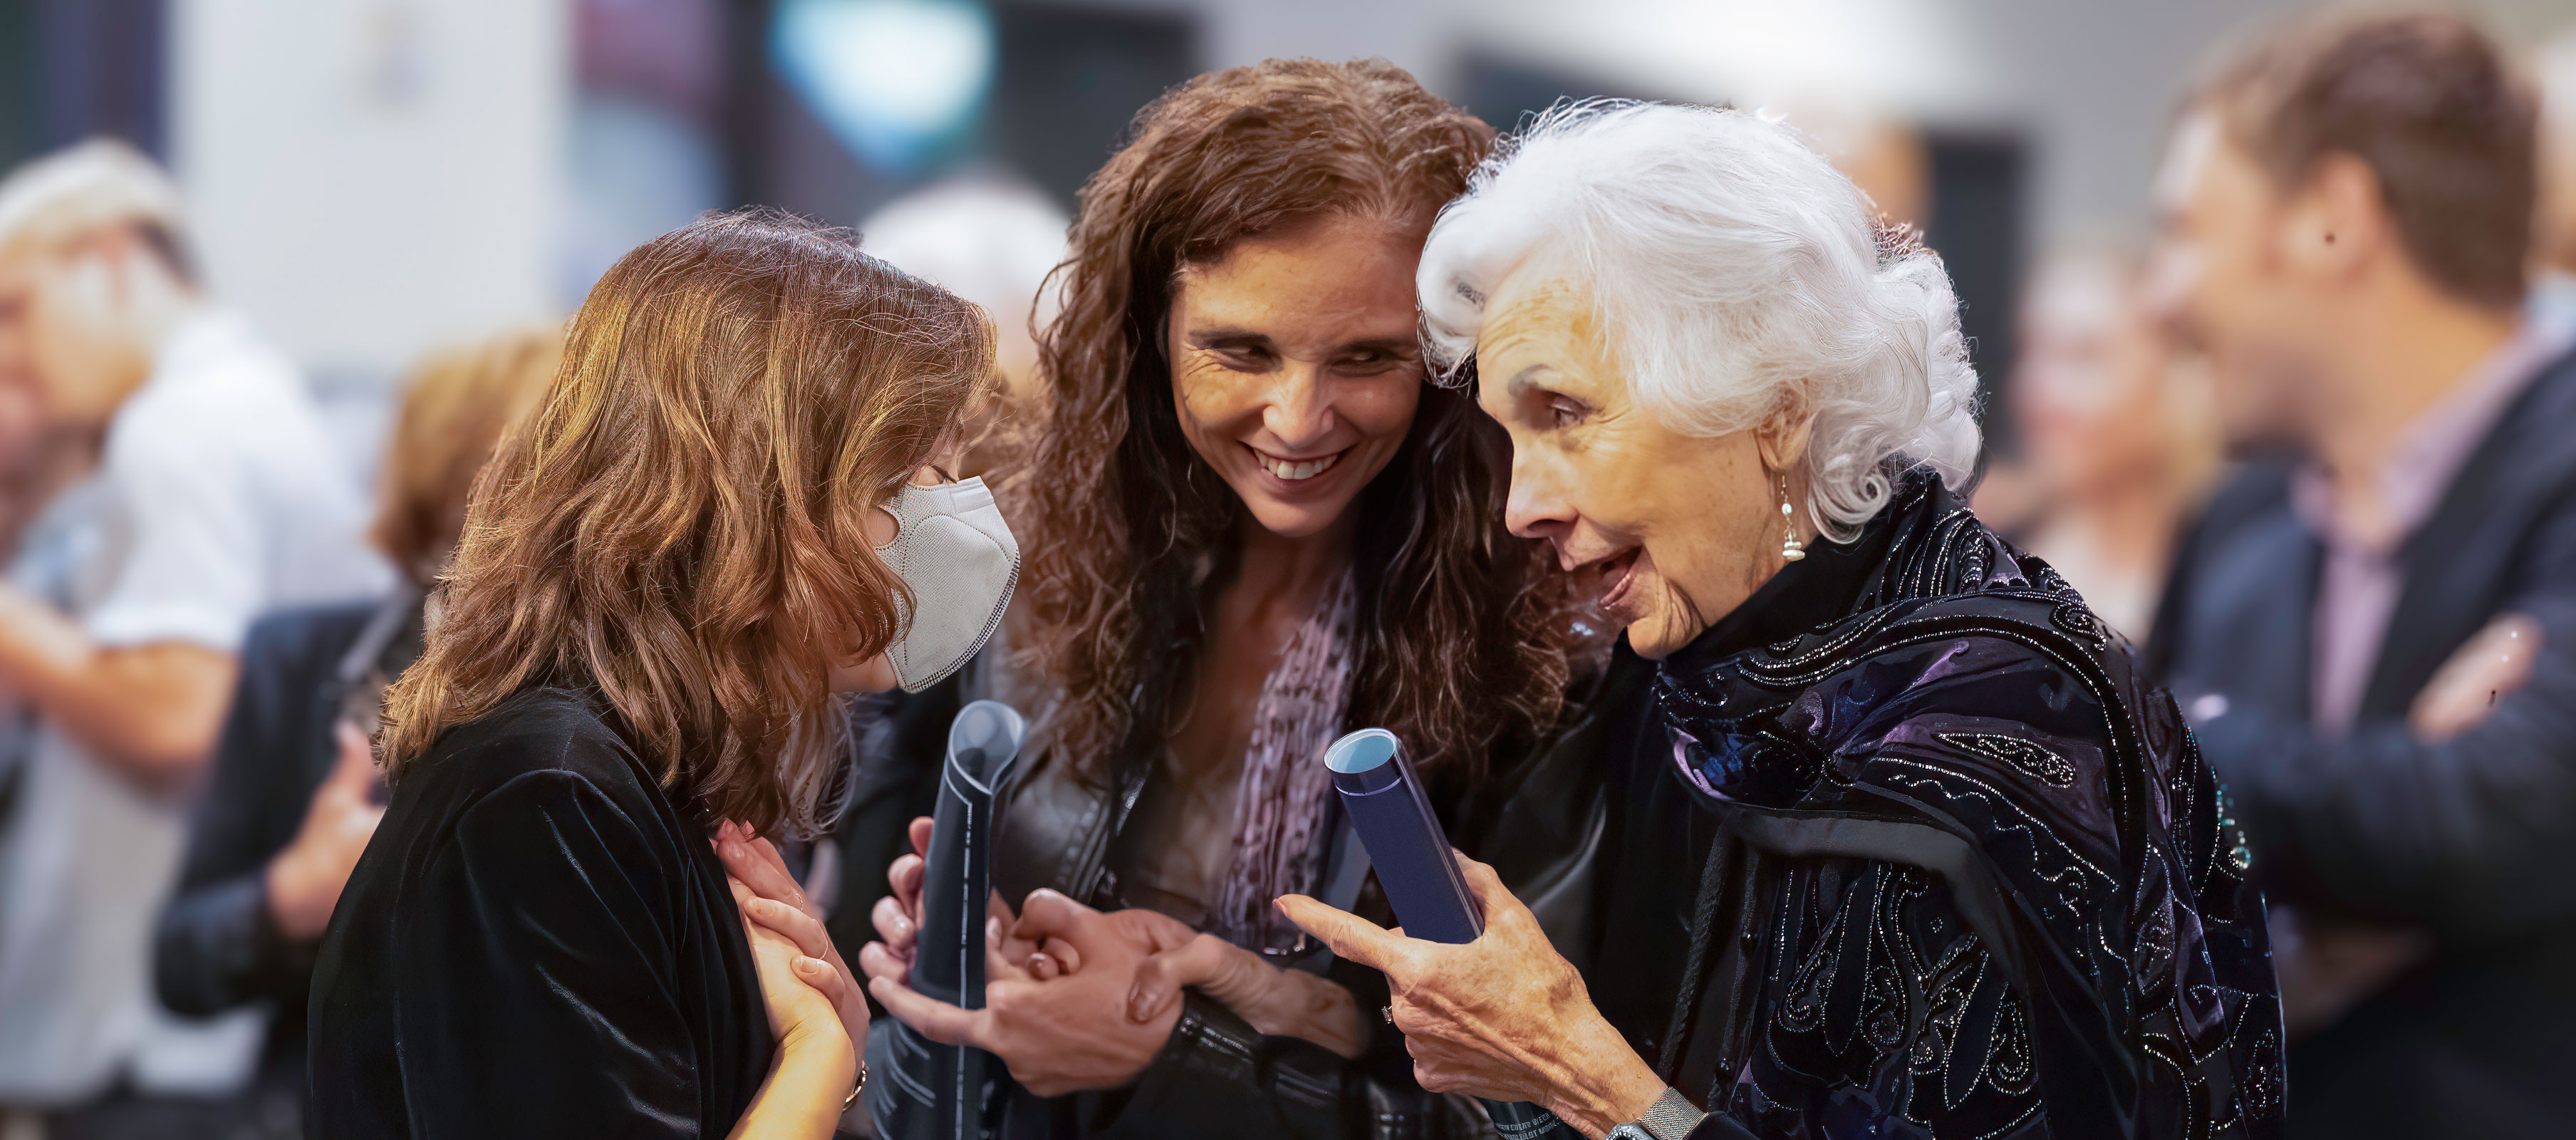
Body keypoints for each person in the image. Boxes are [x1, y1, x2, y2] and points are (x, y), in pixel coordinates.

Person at [1272, 100, 2282, 1140]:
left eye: (1565, 414)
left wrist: (1581, 1074)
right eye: (1511, 435)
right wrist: (1308, 1017)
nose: (1520, 504)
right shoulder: (1717, 671)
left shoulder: (1991, 733)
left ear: (1776, 406)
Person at [848, 58, 1601, 1139]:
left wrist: (1183, 1046)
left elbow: (1527, 1118)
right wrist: (973, 973)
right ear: (1149, 335)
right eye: (1239, 350)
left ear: (1452, 361)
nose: (1298, 421)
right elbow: (884, 1014)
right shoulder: (1036, 569)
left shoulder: (1544, 663)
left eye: (1368, 358)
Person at [306, 210, 1009, 1139]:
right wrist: (821, 1050)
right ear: (770, 491)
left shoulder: (648, 773)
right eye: (917, 470)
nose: (950, 512)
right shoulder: (549, 797)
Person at [2143, 13, 2576, 1138]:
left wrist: (2174, 740)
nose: (2163, 298)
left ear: (2333, 222)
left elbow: (2507, 821)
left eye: (2188, 230)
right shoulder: (2239, 525)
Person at [0, 139, 393, 1136]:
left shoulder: (184, 432)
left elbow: (177, 715)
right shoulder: (226, 413)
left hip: (168, 1045)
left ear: (115, 261)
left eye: (17, 310)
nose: (10, 354)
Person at [150, 325, 559, 1134]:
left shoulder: (634, 688)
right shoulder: (299, 662)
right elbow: (179, 963)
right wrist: (286, 902)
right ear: (452, 474)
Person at [1978, 247, 2219, 640]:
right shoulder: (1993, 562)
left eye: (2083, 357)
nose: (2039, 392)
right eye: (2031, 352)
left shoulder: (2239, 570)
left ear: (2177, 373)